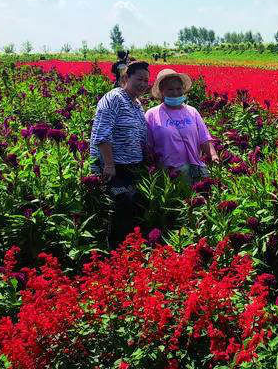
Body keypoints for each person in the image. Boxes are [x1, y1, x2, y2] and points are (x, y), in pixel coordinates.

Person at [90, 60, 150, 247]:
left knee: (134, 208)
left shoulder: (137, 104)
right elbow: (102, 133)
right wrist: (108, 164)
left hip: (132, 166)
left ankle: (130, 250)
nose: (143, 83)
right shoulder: (113, 98)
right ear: (126, 77)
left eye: (146, 80)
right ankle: (115, 252)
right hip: (114, 166)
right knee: (120, 207)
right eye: (139, 78)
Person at [145, 68, 218, 184]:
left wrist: (213, 155)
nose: (175, 93)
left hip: (195, 167)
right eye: (170, 89)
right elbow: (148, 146)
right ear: (161, 91)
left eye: (178, 89)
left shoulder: (192, 111)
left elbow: (204, 138)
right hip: (171, 173)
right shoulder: (152, 115)